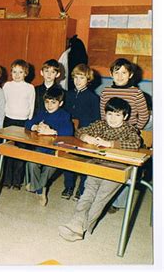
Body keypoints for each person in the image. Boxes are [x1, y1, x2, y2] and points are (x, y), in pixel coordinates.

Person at [58, 98, 141, 242]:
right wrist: (86, 137)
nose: (113, 119)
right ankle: (76, 222)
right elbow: (80, 131)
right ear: (105, 114)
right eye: (110, 114)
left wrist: (109, 143)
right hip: (97, 164)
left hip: (117, 168)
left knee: (100, 198)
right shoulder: (100, 125)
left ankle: (81, 228)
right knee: (87, 194)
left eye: (117, 115)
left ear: (125, 116)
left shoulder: (129, 129)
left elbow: (135, 143)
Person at [99, 58, 150, 213]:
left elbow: (144, 116)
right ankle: (102, 196)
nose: (120, 76)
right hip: (110, 133)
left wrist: (134, 130)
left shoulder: (137, 93)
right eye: (116, 72)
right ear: (111, 74)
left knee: (127, 170)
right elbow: (103, 115)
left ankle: (117, 202)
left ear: (130, 75)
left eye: (124, 73)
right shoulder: (106, 91)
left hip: (129, 136)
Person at [25, 87, 74, 206]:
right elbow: (28, 123)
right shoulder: (42, 113)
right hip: (41, 148)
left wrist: (53, 131)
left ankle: (39, 189)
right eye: (47, 102)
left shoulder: (64, 115)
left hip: (55, 151)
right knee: (31, 163)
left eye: (53, 102)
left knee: (49, 166)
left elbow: (68, 131)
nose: (49, 105)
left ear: (60, 103)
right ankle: (40, 188)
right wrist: (35, 127)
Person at [62, 64, 100, 201]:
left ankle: (81, 189)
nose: (78, 81)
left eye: (82, 78)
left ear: (88, 79)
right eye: (76, 77)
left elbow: (96, 120)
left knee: (84, 161)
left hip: (85, 134)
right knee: (68, 160)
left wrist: (88, 134)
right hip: (69, 132)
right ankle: (69, 186)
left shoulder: (93, 97)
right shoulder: (68, 94)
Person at [2, 59, 35, 190]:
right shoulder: (7, 86)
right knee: (8, 150)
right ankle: (6, 180)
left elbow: (31, 106)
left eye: (20, 72)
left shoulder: (30, 88)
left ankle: (17, 181)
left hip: (23, 122)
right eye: (14, 72)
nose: (17, 75)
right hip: (9, 120)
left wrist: (29, 122)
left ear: (25, 73)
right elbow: (3, 103)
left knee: (20, 152)